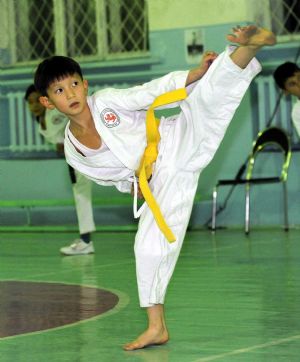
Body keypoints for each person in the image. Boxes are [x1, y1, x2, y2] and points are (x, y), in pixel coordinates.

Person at [33, 25, 276, 350]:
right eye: (60, 91)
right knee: (146, 247)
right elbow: (112, 177)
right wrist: (133, 185)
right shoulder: (75, 153)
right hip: (159, 179)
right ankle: (156, 327)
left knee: (205, 99)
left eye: (74, 84)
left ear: (85, 84)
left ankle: (250, 46)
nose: (71, 94)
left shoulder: (106, 103)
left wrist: (195, 73)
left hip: (174, 139)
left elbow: (148, 92)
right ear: (49, 103)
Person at [24, 85, 96, 256]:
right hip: (77, 158)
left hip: (86, 152)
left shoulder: (55, 113)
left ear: (45, 101)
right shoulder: (41, 121)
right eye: (30, 102)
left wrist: (66, 140)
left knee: (82, 194)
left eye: (36, 101)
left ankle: (86, 241)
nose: (34, 105)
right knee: (81, 194)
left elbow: (77, 118)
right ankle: (85, 241)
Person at [273, 61, 300, 136]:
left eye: (299, 78)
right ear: (286, 91)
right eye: (292, 84)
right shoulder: (297, 112)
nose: (299, 84)